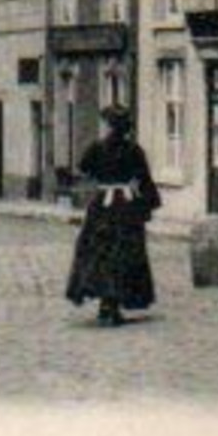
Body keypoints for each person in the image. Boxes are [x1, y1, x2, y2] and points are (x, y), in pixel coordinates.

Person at [66, 105, 162, 327]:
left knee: (99, 252)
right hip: (126, 206)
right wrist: (148, 205)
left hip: (103, 206)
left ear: (109, 125)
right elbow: (144, 178)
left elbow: (83, 168)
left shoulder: (98, 148)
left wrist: (101, 180)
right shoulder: (134, 150)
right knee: (125, 253)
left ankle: (105, 303)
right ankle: (114, 303)